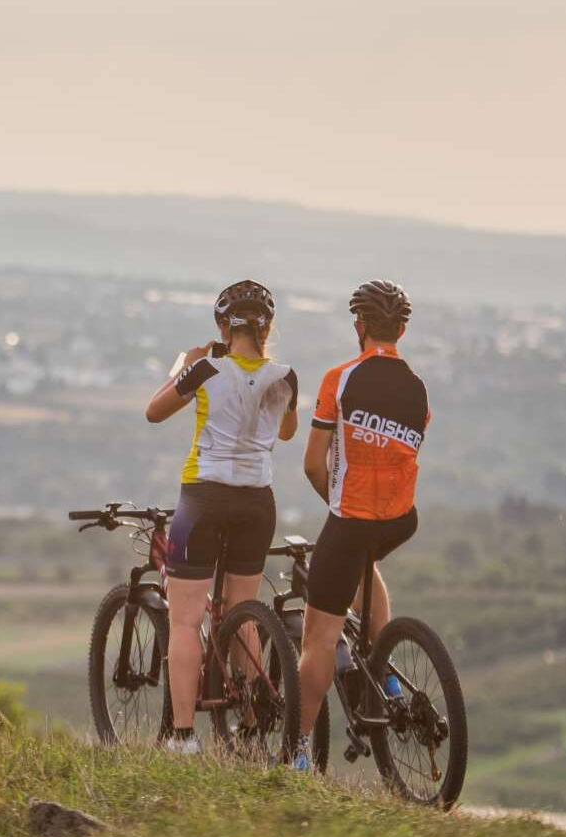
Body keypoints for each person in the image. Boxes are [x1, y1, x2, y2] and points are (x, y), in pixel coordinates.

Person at [143, 279, 300, 755]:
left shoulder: (205, 368)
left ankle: (185, 738)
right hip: (258, 501)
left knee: (186, 619)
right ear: (268, 327)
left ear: (221, 326)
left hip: (205, 497)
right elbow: (288, 431)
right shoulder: (286, 375)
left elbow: (154, 412)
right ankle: (253, 718)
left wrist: (184, 365)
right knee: (241, 612)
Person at [294, 279, 425, 770]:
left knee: (317, 640)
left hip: (352, 518)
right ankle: (387, 672)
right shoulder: (418, 387)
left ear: (360, 326)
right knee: (363, 562)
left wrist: (338, 504)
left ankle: (299, 750)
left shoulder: (340, 379)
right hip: (400, 520)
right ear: (403, 330)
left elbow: (312, 464)